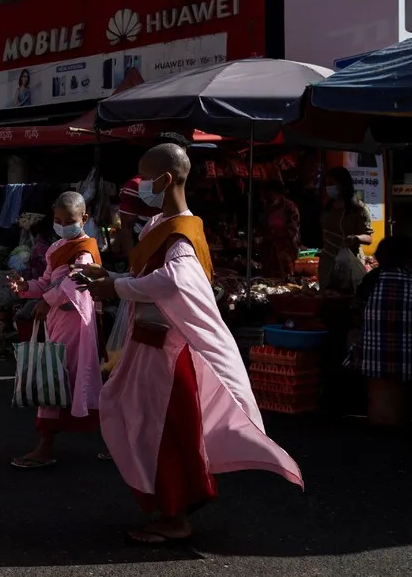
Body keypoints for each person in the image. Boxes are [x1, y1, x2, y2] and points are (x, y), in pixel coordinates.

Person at [75, 143, 302, 545]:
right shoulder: (166, 224)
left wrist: (117, 285)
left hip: (165, 351)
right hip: (150, 345)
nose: (140, 185)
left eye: (145, 178)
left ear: (164, 180)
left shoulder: (180, 232)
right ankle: (175, 506)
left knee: (161, 434)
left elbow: (177, 280)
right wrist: (108, 277)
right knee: (151, 427)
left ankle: (175, 516)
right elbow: (153, 275)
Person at [7, 192, 104, 469]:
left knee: (55, 376)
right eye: (58, 220)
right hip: (57, 319)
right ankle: (115, 441)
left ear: (84, 219)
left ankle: (44, 446)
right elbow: (48, 282)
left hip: (74, 321)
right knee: (64, 377)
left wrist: (45, 302)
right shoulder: (57, 247)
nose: (62, 225)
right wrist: (27, 288)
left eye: (68, 220)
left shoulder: (84, 250)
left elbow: (74, 284)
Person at [346, 236, 412, 424]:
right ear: (408, 260)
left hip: (369, 364)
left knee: (352, 336)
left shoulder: (370, 283)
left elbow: (356, 317)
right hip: (411, 367)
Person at [319, 166, 373, 291]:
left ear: (343, 184)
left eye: (332, 184)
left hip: (349, 262)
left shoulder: (358, 209)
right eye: (327, 184)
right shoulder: (327, 208)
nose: (329, 188)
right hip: (327, 261)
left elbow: (369, 238)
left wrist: (355, 238)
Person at [259, 180, 301, 278]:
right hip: (269, 248)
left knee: (284, 275)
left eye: (270, 194)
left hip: (285, 248)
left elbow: (293, 229)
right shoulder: (267, 207)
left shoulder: (290, 208)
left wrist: (274, 235)